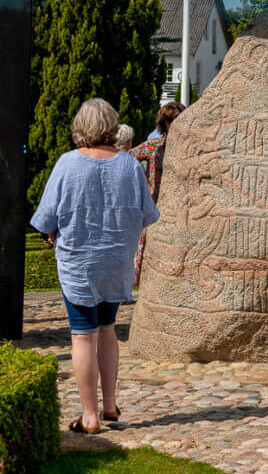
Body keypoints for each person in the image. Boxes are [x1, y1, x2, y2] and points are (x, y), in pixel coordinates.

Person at [30, 98, 159, 435]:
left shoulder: (67, 164)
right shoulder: (129, 165)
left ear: (80, 127)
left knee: (82, 336)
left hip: (79, 263)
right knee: (107, 330)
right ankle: (110, 403)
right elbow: (149, 214)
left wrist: (54, 233)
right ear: (113, 126)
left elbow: (45, 218)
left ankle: (89, 417)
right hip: (116, 261)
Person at [131, 101, 184, 287]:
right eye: (172, 119)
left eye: (179, 118)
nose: (176, 122)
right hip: (156, 202)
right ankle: (131, 283)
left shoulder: (190, 148)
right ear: (164, 122)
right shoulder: (154, 146)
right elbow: (127, 159)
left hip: (182, 203)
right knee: (144, 241)